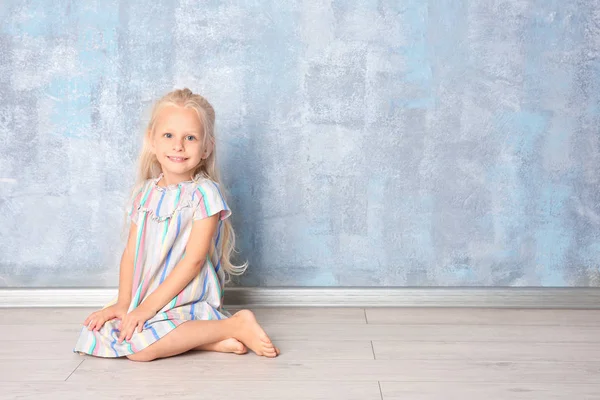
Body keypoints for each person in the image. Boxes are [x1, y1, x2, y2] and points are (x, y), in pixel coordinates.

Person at [73, 88, 279, 361]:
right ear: (152, 141)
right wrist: (124, 303)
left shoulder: (204, 194)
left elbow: (193, 261)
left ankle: (234, 325)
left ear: (206, 148)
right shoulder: (145, 192)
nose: (178, 145)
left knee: (139, 352)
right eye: (168, 135)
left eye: (190, 138)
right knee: (98, 332)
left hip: (185, 295)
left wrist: (147, 309)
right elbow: (130, 254)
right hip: (148, 294)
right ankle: (213, 339)